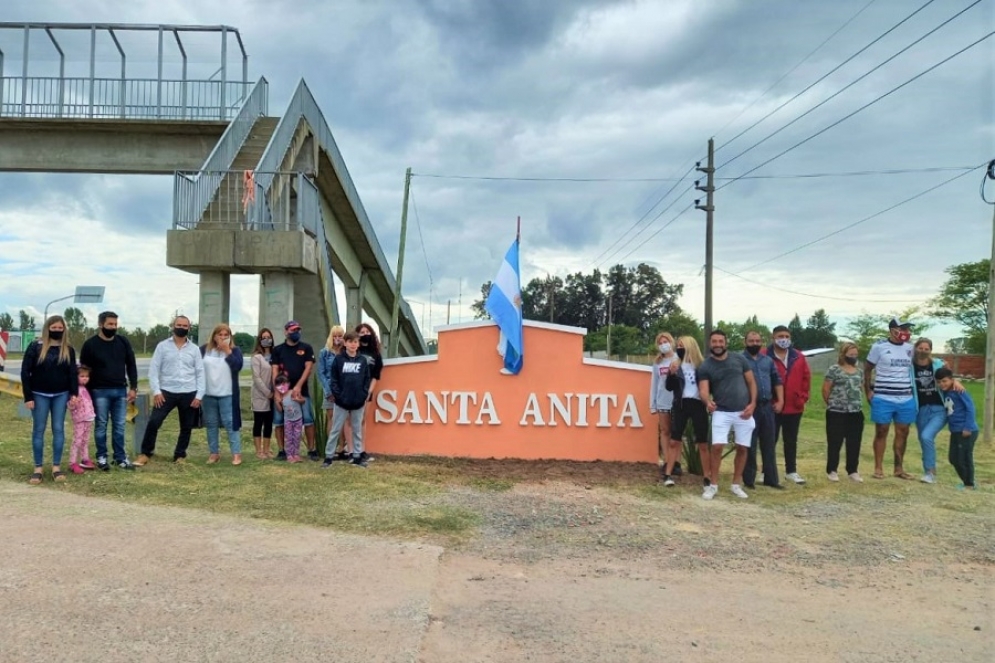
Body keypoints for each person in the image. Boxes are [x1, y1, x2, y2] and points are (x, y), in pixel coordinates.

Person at [136, 316, 205, 466]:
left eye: (184, 325)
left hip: (189, 392)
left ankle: (180, 455)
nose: (181, 327)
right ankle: (145, 453)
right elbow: (153, 370)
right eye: (178, 324)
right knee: (154, 422)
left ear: (189, 328)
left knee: (186, 427)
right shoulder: (162, 346)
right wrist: (156, 391)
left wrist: (199, 395)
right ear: (173, 326)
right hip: (166, 392)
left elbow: (200, 373)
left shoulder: (194, 349)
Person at [697, 329, 757, 500]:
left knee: (742, 447)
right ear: (710, 344)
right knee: (716, 447)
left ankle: (736, 485)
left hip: (743, 412)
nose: (717, 345)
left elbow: (751, 382)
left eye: (720, 341)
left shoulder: (739, 359)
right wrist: (707, 402)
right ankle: (713, 485)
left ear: (726, 342)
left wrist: (753, 404)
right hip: (721, 411)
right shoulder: (706, 366)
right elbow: (703, 390)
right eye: (714, 342)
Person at [21, 315, 79, 484]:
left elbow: (72, 374)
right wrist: (28, 396)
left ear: (64, 330)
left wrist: (74, 394)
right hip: (39, 394)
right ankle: (38, 468)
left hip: (61, 394)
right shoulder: (35, 347)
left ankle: (56, 467)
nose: (57, 331)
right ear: (47, 329)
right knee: (38, 430)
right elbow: (25, 372)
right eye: (54, 328)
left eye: (60, 328)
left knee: (58, 429)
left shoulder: (68, 349)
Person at [79, 311, 137, 470]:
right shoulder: (90, 345)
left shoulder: (123, 342)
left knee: (119, 426)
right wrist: (86, 394)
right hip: (99, 392)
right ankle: (102, 457)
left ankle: (120, 457)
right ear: (101, 324)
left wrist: (133, 387)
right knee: (101, 425)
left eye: (115, 324)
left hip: (120, 391)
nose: (113, 327)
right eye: (110, 324)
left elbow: (131, 365)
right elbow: (84, 371)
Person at [865, 318, 916, 480]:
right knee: (881, 431)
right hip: (883, 397)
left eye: (908, 329)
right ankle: (878, 467)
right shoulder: (878, 347)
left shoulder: (911, 348)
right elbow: (867, 370)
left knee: (903, 432)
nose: (906, 332)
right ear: (893, 330)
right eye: (903, 329)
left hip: (906, 398)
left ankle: (898, 468)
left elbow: (924, 362)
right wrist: (867, 391)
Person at [765, 325, 811, 485]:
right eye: (780, 336)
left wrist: (803, 397)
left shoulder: (798, 356)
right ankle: (767, 471)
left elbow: (806, 377)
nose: (783, 339)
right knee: (770, 439)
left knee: (791, 440)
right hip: (772, 406)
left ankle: (791, 471)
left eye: (786, 336)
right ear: (773, 338)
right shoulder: (765, 355)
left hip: (794, 405)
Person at [322, 331, 373, 468]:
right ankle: (328, 457)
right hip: (341, 402)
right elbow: (334, 380)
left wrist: (363, 395)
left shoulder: (362, 360)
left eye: (355, 342)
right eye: (350, 342)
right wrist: (339, 396)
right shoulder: (338, 360)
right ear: (345, 343)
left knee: (357, 429)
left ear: (358, 344)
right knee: (335, 429)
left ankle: (357, 455)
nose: (353, 344)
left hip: (358, 402)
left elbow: (366, 380)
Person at [742, 331, 784, 490]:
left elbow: (777, 381)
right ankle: (749, 479)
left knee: (769, 444)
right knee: (749, 445)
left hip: (767, 407)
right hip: (749, 407)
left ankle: (771, 479)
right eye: (751, 341)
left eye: (757, 341)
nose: (755, 343)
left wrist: (780, 400)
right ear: (745, 342)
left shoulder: (768, 361)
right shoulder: (740, 360)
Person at [666, 336, 709, 491]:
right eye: (678, 346)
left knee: (703, 443)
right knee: (674, 440)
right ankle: (668, 474)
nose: (679, 348)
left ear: (690, 346)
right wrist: (671, 374)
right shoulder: (676, 365)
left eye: (681, 346)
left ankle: (707, 477)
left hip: (698, 404)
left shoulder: (702, 366)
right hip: (681, 404)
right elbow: (669, 387)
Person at [271, 321, 317, 461]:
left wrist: (298, 386)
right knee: (279, 421)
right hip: (283, 392)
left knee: (308, 420)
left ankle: (311, 450)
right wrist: (277, 392)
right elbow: (275, 371)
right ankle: (282, 451)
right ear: (286, 332)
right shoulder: (278, 350)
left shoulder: (306, 348)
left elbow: (308, 368)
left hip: (301, 392)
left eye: (297, 330)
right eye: (292, 330)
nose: (295, 332)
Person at [200, 323, 244, 465]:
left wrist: (227, 351)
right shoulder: (204, 350)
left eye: (226, 335)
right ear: (214, 336)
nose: (223, 337)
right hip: (208, 393)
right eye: (220, 334)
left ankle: (236, 454)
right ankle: (214, 453)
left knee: (230, 424)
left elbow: (237, 366)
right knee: (211, 423)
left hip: (227, 393)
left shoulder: (235, 351)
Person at [822, 342, 865, 483]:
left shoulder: (859, 371)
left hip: (855, 412)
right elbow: (826, 389)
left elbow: (861, 388)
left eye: (855, 354)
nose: (853, 357)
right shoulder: (834, 369)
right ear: (843, 354)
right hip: (836, 412)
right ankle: (832, 470)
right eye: (850, 354)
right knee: (835, 441)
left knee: (854, 442)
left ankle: (852, 470)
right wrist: (832, 403)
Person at [911, 338, 946, 484]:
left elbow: (948, 379)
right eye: (921, 348)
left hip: (939, 409)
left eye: (926, 349)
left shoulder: (937, 364)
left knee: (926, 437)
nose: (923, 351)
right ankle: (928, 471)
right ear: (915, 348)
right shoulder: (909, 366)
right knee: (924, 440)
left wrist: (957, 382)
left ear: (930, 350)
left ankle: (931, 473)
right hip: (921, 409)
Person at [936, 367, 978, 490]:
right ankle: (967, 482)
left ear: (951, 380)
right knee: (953, 458)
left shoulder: (960, 391)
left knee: (964, 458)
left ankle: (969, 484)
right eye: (939, 382)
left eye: (944, 381)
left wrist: (968, 427)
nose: (941, 384)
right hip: (955, 431)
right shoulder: (944, 391)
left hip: (966, 430)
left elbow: (971, 408)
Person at [650, 332, 679, 484]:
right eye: (660, 342)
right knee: (665, 432)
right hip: (662, 401)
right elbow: (654, 384)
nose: (663, 344)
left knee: (676, 433)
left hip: (677, 401)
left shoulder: (679, 359)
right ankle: (668, 461)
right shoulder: (657, 363)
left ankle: (677, 462)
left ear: (671, 342)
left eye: (665, 341)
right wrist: (652, 404)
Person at [355, 323, 384, 464]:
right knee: (350, 421)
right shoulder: (354, 350)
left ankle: (361, 449)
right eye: (361, 332)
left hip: (367, 392)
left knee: (362, 420)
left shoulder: (375, 354)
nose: (364, 334)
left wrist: (369, 392)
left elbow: (376, 375)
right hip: (352, 391)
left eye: (367, 331)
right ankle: (351, 451)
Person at [317, 325, 346, 455]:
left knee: (344, 418)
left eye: (340, 336)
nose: (337, 338)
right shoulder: (325, 352)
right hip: (329, 389)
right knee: (331, 417)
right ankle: (331, 448)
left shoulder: (346, 352)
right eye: (335, 336)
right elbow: (321, 372)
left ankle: (342, 446)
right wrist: (328, 391)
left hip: (344, 389)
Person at [251, 328, 276, 459]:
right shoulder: (257, 357)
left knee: (268, 423)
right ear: (260, 340)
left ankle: (266, 449)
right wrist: (267, 393)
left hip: (274, 395)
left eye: (269, 337)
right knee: (258, 422)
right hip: (260, 395)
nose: (267, 340)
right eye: (264, 337)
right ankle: (258, 450)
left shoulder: (275, 355)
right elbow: (257, 378)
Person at [67, 364, 97, 474]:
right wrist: (73, 402)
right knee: (77, 440)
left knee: (85, 440)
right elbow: (70, 406)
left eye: (87, 376)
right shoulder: (73, 391)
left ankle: (85, 459)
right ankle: (72, 462)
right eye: (82, 376)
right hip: (79, 419)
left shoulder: (85, 389)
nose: (85, 378)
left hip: (88, 418)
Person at [275, 373, 305, 463]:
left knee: (297, 436)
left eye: (284, 384)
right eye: (279, 385)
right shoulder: (280, 397)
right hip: (288, 420)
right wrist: (277, 402)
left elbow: (303, 401)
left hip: (298, 419)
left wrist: (297, 399)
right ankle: (289, 455)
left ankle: (296, 454)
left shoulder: (293, 392)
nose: (282, 387)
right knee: (289, 437)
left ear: (288, 384)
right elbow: (280, 410)